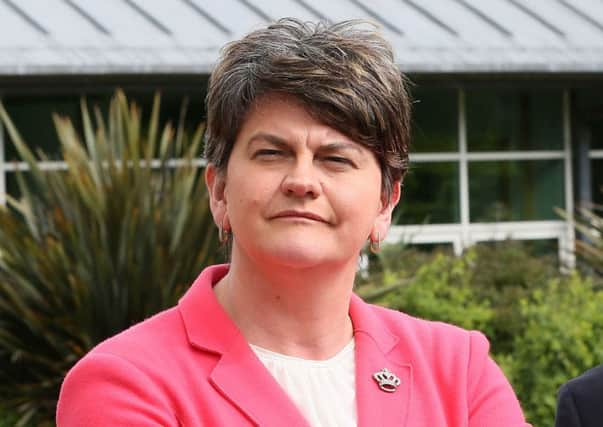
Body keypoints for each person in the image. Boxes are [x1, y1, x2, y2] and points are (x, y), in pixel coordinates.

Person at [56, 19, 530, 426]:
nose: (302, 181)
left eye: (335, 159)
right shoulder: (127, 383)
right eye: (272, 153)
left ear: (385, 204)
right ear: (219, 191)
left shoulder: (457, 371)